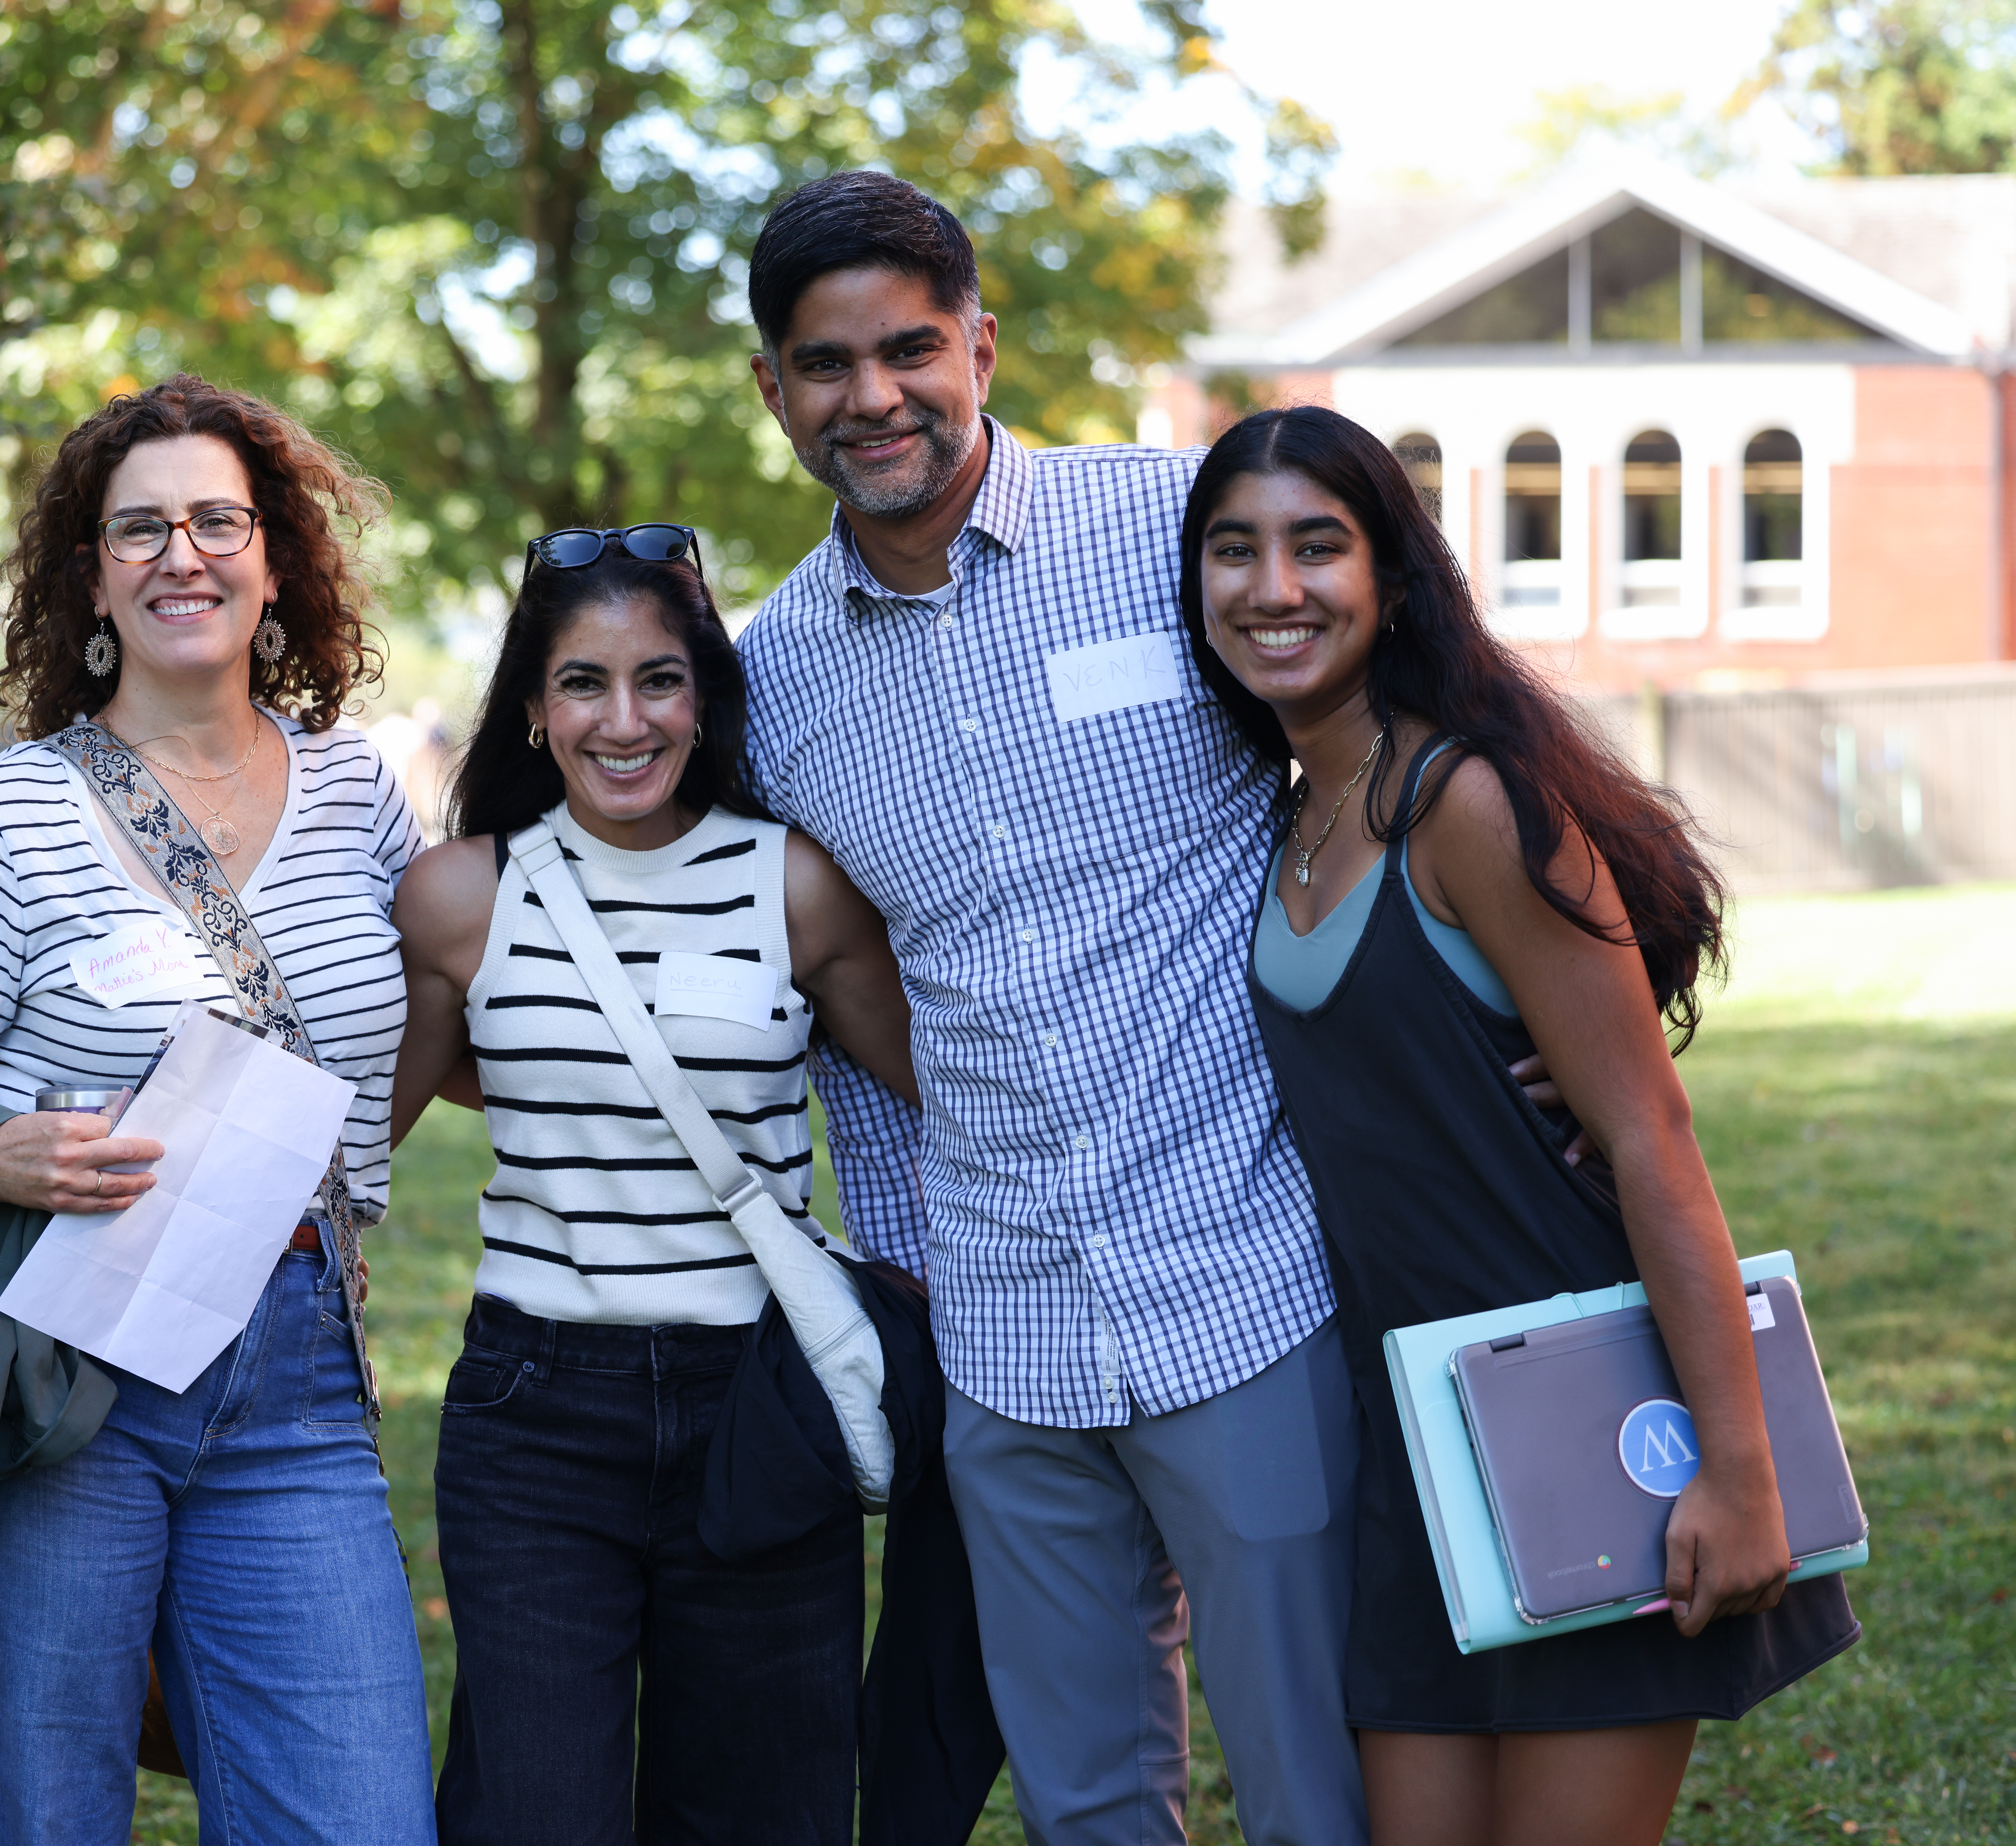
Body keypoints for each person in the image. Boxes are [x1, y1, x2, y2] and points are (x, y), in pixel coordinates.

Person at [730, 171, 1583, 1846]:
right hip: (1000, 1327)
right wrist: (909, 1256)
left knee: (1314, 1781)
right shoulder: (773, 678)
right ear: (773, 391)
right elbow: (847, 997)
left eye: (911, 348)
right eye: (823, 366)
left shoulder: (1174, 532)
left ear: (980, 343)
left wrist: (1523, 1047)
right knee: (1084, 1804)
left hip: (1244, 1286)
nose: (873, 396)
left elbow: (1422, 759)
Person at [1185, 404, 1857, 1845]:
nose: (1272, 586)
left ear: (1394, 574)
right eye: (1231, 551)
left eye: (1317, 544)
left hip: (1583, 1416)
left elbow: (1647, 1142)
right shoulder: (1285, 813)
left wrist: (1738, 1475)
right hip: (1404, 1444)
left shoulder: (1466, 799)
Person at [0, 376, 435, 1846]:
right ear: (91, 579)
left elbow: (406, 1053)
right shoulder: (9, 815)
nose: (181, 553)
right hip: (62, 1373)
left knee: (359, 1816)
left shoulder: (360, 796)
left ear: (274, 560)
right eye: (139, 530)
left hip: (297, 1374)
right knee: (33, 1814)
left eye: (215, 521)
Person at [389, 524, 920, 1845]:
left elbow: (952, 1087)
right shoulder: (458, 898)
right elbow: (359, 1124)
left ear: (703, 696)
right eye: (582, 682)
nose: (622, 720)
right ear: (530, 705)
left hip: (758, 1403)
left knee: (762, 1810)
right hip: (534, 1411)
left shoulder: (793, 888)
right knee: (535, 1811)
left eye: (659, 680)